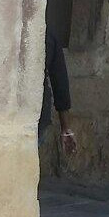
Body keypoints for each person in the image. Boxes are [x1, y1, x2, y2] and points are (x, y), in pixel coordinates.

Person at [41, 28, 78, 156]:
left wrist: (66, 128)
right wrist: (65, 128)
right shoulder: (48, 35)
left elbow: (60, 82)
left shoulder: (48, 36)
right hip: (37, 112)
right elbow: (60, 82)